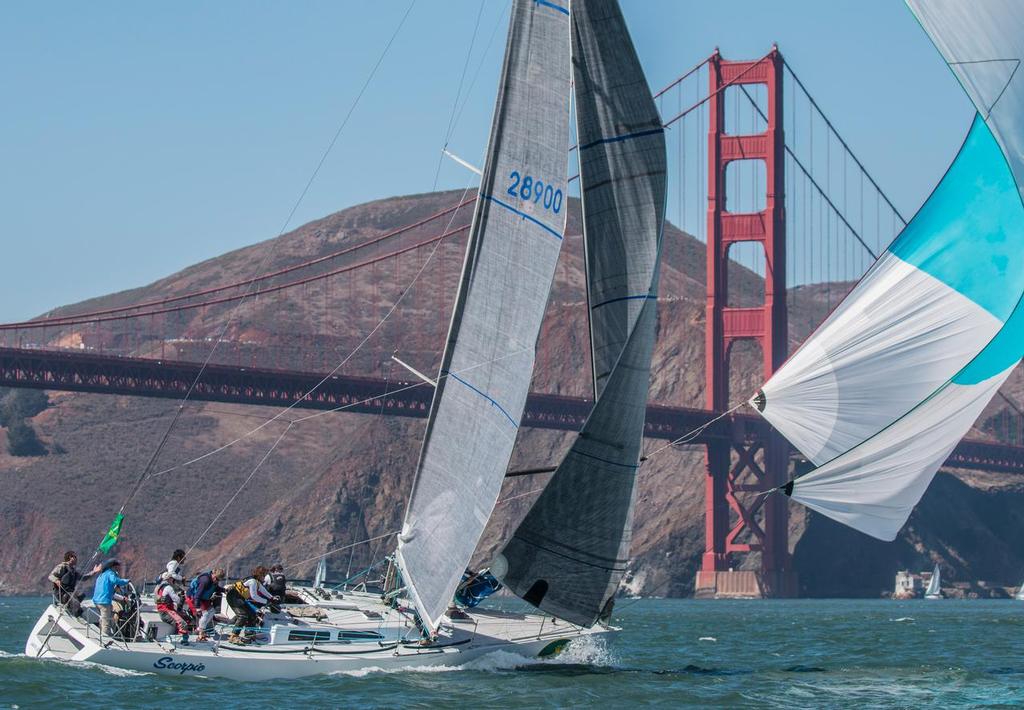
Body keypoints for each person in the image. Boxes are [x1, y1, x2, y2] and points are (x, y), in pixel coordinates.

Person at [225, 566, 275, 644]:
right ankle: (234, 636)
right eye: (264, 576)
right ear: (260, 575)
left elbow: (264, 591)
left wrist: (272, 598)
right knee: (243, 616)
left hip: (239, 598)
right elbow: (254, 596)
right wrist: (266, 602)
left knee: (252, 614)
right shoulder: (253, 581)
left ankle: (249, 635)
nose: (265, 578)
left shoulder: (257, 582)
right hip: (233, 596)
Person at [47, 551, 101, 618]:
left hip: (70, 593)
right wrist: (56, 580)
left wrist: (94, 572)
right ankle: (76, 614)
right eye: (75, 557)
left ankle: (75, 610)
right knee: (74, 599)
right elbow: (50, 576)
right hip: (62, 593)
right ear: (70, 557)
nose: (77, 559)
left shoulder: (73, 571)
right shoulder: (62, 567)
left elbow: (83, 578)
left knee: (82, 595)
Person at [92, 559, 130, 638]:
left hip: (97, 600)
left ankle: (103, 632)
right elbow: (115, 580)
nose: (118, 569)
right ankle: (106, 636)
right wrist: (126, 581)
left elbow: (108, 590)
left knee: (106, 617)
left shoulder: (101, 575)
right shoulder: (110, 573)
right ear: (113, 566)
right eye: (117, 567)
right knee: (106, 620)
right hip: (104, 601)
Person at [185, 568, 225, 642]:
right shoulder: (205, 580)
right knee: (205, 614)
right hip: (193, 597)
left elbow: (216, 588)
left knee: (212, 611)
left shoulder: (214, 581)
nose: (217, 581)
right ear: (213, 574)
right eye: (216, 578)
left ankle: (200, 630)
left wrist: (224, 590)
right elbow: (197, 594)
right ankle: (200, 634)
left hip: (203, 598)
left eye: (219, 580)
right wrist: (197, 608)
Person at [155, 572, 190, 645]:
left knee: (185, 617)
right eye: (172, 579)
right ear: (169, 579)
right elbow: (177, 600)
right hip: (166, 611)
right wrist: (181, 596)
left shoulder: (158, 587)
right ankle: (184, 641)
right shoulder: (168, 587)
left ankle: (180, 635)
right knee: (183, 623)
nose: (173, 580)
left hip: (163, 611)